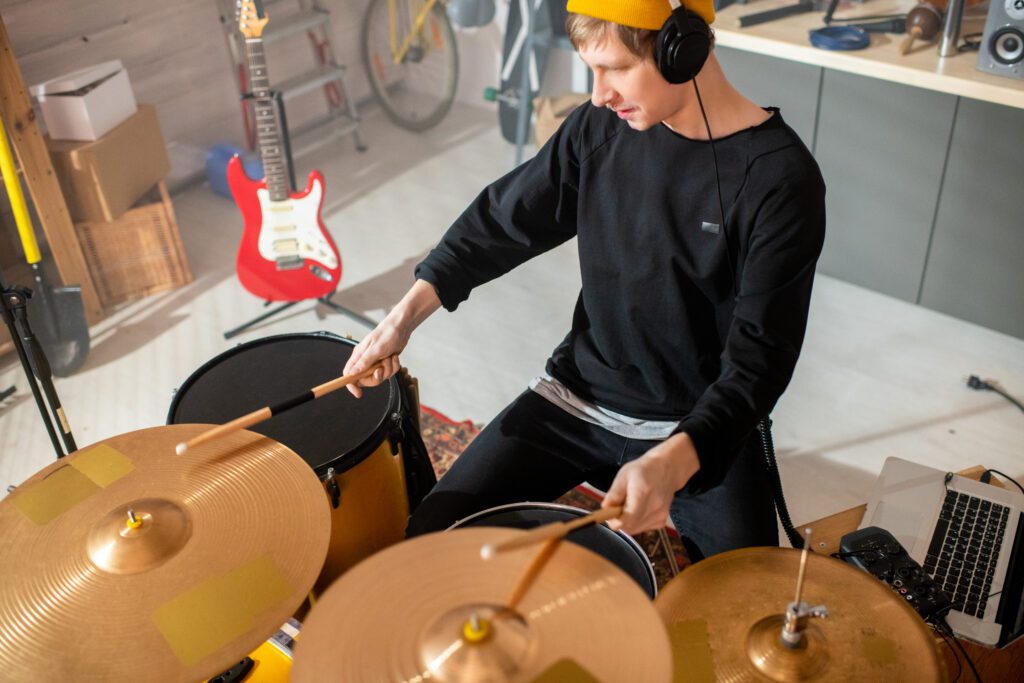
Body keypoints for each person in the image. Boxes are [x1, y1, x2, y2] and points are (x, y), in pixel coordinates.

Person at [343, 0, 826, 561]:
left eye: (616, 68)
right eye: (590, 71)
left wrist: (673, 459)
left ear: (683, 50)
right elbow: (501, 221)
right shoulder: (599, 128)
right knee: (433, 539)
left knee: (745, 606)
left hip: (695, 424)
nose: (599, 93)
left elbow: (760, 362)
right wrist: (400, 321)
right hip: (579, 397)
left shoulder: (779, 180)